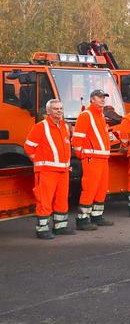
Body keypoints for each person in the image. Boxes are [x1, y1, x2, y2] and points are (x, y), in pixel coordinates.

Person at [25, 99, 74, 239]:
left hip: (63, 171)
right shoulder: (41, 126)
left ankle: (60, 227)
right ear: (48, 111)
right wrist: (39, 161)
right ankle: (42, 229)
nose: (59, 111)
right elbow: (29, 147)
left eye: (60, 108)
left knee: (61, 199)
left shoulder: (64, 126)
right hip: (47, 171)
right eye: (55, 109)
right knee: (44, 200)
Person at [71, 89, 114, 228]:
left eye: (104, 97)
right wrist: (83, 155)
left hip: (102, 158)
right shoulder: (86, 115)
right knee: (89, 188)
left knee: (101, 189)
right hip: (92, 158)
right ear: (92, 99)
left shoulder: (100, 116)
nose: (102, 99)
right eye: (99, 97)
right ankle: (82, 220)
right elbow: (77, 139)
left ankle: (97, 216)